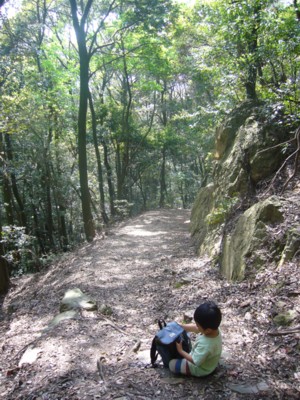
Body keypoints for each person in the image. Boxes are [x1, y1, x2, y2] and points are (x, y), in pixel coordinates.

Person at [169, 300, 222, 377]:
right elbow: (196, 328)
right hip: (206, 361)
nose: (196, 326)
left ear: (207, 330)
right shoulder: (214, 328)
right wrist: (181, 326)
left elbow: (195, 361)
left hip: (200, 369)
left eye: (198, 325)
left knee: (171, 364)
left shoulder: (206, 345)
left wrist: (180, 351)